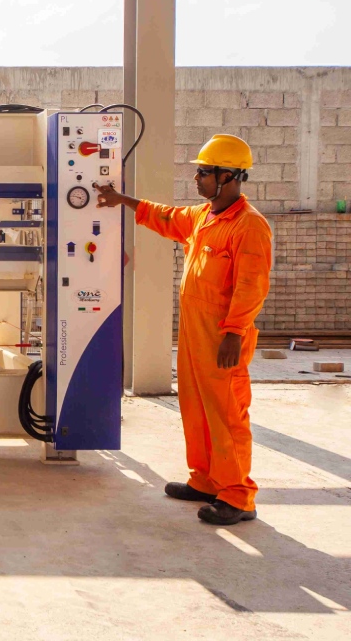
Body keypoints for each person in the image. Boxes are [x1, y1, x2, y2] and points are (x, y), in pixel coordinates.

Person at [95, 134, 272, 526]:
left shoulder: (249, 226)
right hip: (195, 334)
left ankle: (238, 496)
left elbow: (251, 285)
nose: (197, 178)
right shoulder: (203, 217)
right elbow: (165, 216)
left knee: (226, 415)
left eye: (204, 172)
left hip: (222, 336)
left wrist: (234, 333)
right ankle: (206, 481)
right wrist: (121, 200)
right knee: (196, 410)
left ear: (228, 176)